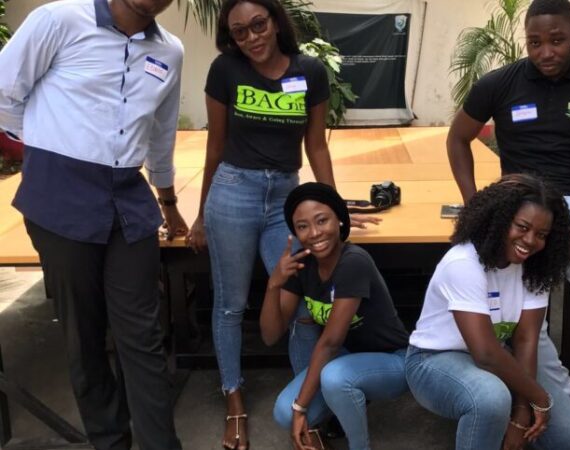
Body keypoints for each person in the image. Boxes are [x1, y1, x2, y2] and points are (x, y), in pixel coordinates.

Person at [185, 1, 377, 448]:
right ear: (231, 37)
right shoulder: (225, 70)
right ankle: (234, 399)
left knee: (303, 298)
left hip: (284, 200)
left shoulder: (310, 71)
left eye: (258, 25)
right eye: (240, 32)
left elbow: (316, 146)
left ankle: (308, 404)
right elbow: (215, 146)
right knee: (230, 305)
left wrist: (334, 210)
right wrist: (200, 214)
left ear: (274, 22)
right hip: (232, 191)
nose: (251, 37)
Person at [0, 1, 186, 449]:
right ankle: (110, 441)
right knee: (84, 336)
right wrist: (48, 141)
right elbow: (4, 94)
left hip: (129, 201)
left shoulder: (170, 51)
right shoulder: (59, 20)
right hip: (60, 200)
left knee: (142, 336)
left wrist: (168, 200)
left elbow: (161, 134)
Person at [446, 1, 570, 448]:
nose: (546, 51)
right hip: (521, 215)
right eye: (535, 42)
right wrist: (476, 206)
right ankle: (564, 399)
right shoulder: (499, 84)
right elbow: (458, 138)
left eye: (557, 40)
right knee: (527, 326)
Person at [405, 174, 570, 450]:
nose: (530, 240)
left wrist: (521, 414)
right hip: (433, 361)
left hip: (500, 359)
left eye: (542, 235)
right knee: (490, 398)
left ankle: (496, 423)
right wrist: (539, 398)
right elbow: (486, 354)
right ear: (500, 219)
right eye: (522, 227)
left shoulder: (535, 269)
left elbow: (525, 341)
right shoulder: (464, 262)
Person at [261, 182, 409, 450]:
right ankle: (348, 399)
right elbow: (271, 336)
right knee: (283, 412)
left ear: (339, 220)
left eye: (322, 220)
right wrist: (273, 285)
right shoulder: (301, 263)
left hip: (394, 360)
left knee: (334, 377)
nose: (314, 233)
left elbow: (330, 343)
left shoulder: (354, 261)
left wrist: (301, 407)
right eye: (303, 226)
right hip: (346, 359)